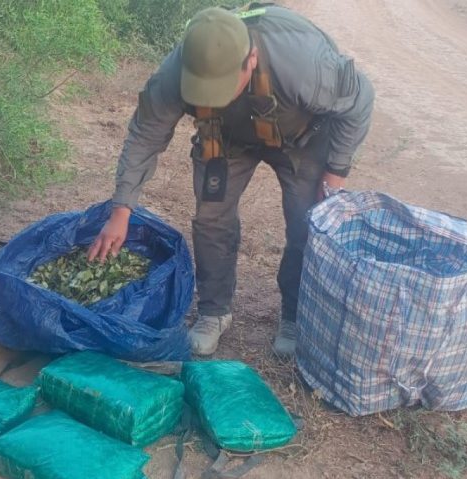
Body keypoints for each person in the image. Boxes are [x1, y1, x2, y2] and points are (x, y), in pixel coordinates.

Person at [88, 3, 375, 357]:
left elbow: (359, 99)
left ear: (251, 59)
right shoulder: (178, 67)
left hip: (302, 139)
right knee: (211, 219)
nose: (211, 96)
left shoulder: (302, 63)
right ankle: (214, 310)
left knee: (309, 224)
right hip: (224, 137)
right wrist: (121, 210)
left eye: (222, 86)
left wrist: (336, 171)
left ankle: (295, 314)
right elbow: (146, 135)